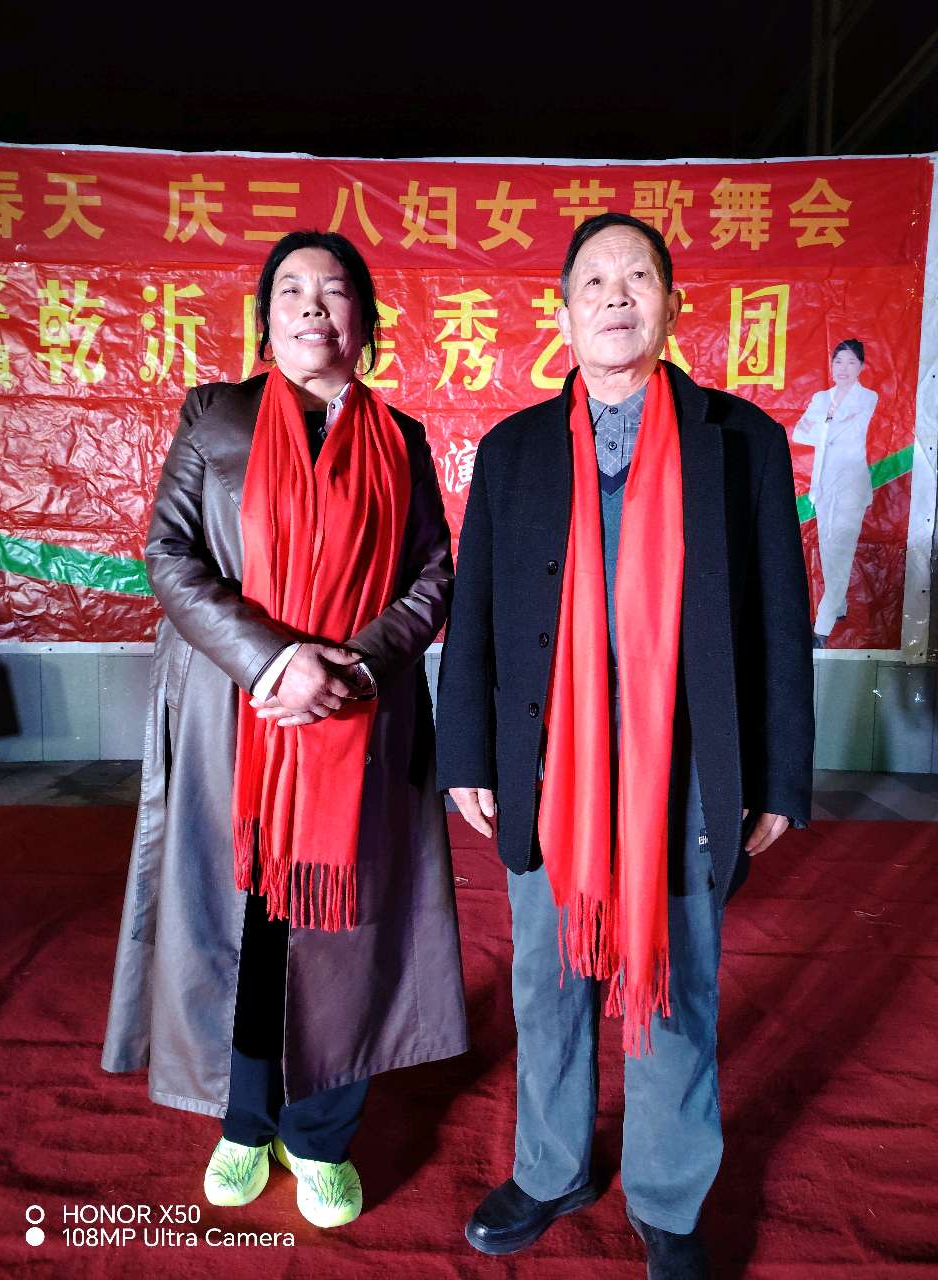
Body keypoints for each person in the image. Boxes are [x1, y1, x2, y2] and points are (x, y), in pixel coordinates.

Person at [436, 212, 814, 1278]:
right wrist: (467, 755)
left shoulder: (739, 441)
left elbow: (779, 620)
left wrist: (780, 773)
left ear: (671, 305)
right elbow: (476, 614)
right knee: (547, 975)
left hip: (685, 764)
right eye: (593, 280)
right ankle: (552, 1167)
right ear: (562, 315)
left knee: (678, 977)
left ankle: (667, 1195)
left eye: (638, 277)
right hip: (547, 759)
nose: (615, 295)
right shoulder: (513, 450)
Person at [103, 230, 467, 1228]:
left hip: (358, 719)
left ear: (364, 320)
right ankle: (245, 1118)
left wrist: (356, 664)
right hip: (238, 714)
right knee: (248, 924)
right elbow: (170, 554)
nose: (314, 305)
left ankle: (321, 1133)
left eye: (335, 291)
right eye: (292, 290)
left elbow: (433, 574)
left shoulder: (401, 439)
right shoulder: (215, 416)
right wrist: (274, 660)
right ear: (266, 320)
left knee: (344, 929)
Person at [792, 338, 877, 646]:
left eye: (851, 362)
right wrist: (826, 424)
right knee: (829, 551)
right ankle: (839, 606)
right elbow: (800, 431)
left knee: (840, 552)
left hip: (850, 487)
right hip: (823, 485)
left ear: (861, 366)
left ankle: (822, 628)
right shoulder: (821, 397)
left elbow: (836, 430)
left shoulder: (867, 397)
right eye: (838, 361)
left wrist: (824, 423)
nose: (844, 368)